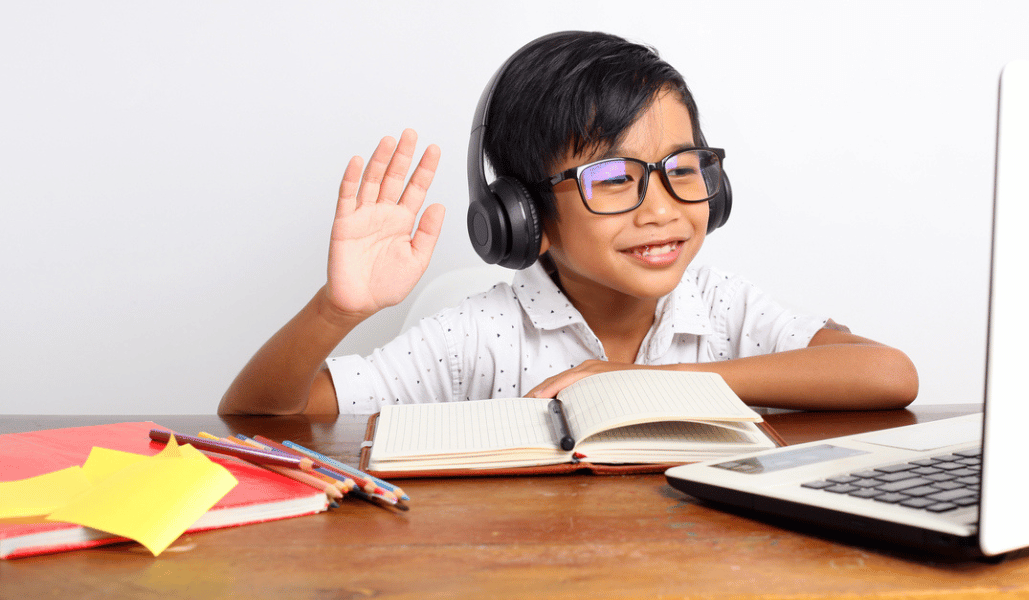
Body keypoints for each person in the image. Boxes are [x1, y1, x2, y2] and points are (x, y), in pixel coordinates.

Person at [218, 31, 918, 416]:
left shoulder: (722, 308)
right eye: (612, 178)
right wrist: (335, 310)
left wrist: (670, 384)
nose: (662, 207)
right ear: (523, 218)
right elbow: (259, 414)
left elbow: (888, 374)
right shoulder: (481, 336)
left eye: (683, 166)